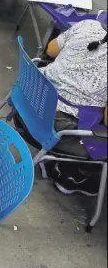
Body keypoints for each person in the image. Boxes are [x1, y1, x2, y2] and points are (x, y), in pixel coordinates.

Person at [40, 18, 108, 195]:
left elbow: (51, 50)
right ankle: (73, 176)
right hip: (60, 128)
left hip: (34, 102)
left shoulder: (87, 25)